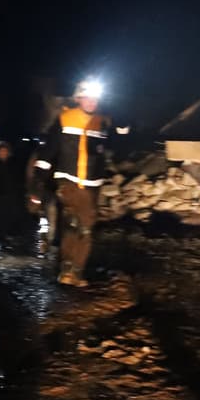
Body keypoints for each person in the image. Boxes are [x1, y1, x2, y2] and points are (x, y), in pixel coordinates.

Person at [32, 78, 115, 287]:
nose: (92, 102)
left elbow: (118, 141)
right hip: (68, 182)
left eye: (95, 98)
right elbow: (48, 151)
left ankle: (70, 270)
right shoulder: (65, 119)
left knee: (76, 227)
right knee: (80, 227)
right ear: (79, 98)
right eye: (88, 97)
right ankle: (72, 271)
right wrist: (38, 181)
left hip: (91, 186)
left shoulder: (102, 122)